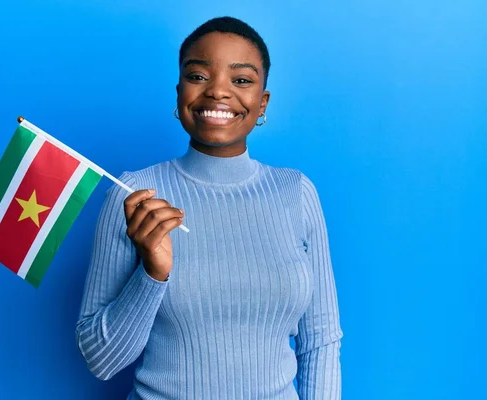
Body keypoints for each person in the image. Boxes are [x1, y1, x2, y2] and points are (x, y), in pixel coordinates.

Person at [76, 16, 344, 400]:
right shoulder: (134, 194)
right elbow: (101, 361)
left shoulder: (296, 192)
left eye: (241, 80)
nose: (218, 92)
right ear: (179, 93)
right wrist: (152, 274)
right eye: (199, 76)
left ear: (262, 102)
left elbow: (321, 340)